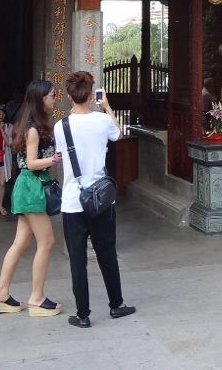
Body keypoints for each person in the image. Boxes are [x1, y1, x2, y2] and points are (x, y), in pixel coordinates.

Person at [57, 71, 135, 328]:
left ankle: (82, 315)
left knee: (77, 260)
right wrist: (108, 107)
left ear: (70, 96)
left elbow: (61, 155)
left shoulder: (61, 126)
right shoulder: (102, 121)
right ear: (92, 95)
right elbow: (118, 135)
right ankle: (117, 305)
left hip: (73, 200)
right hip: (101, 200)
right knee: (107, 253)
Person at [0, 79, 63, 317]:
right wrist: (54, 159)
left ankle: (1, 295)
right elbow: (31, 163)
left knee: (21, 243)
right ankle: (37, 298)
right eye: (52, 95)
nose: (54, 99)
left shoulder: (31, 125)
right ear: (41, 99)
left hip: (28, 186)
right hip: (32, 185)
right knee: (47, 242)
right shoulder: (33, 129)